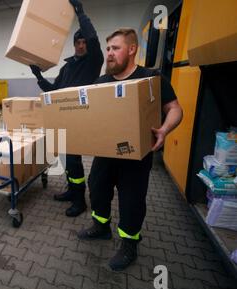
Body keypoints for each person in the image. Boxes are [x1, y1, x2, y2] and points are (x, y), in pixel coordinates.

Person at [77, 28, 183, 271]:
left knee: (132, 201)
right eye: (108, 49)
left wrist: (164, 130)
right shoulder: (100, 83)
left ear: (132, 49)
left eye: (115, 48)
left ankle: (129, 244)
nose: (109, 54)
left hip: (136, 158)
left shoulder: (150, 79)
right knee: (97, 188)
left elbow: (175, 109)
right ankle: (101, 227)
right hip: (105, 155)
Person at [30, 0, 104, 217]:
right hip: (64, 121)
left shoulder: (93, 61)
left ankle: (80, 201)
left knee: (73, 160)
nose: (81, 45)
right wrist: (38, 76)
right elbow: (53, 90)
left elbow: (93, 37)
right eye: (77, 42)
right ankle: (73, 191)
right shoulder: (67, 66)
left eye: (83, 42)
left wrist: (80, 12)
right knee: (69, 160)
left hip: (80, 120)